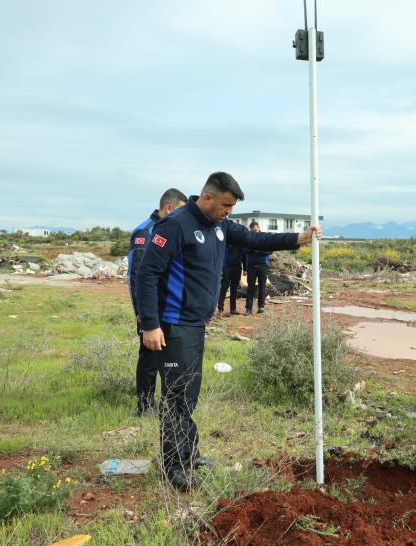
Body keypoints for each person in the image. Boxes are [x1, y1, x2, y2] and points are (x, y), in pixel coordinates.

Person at [136, 172, 321, 492]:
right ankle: (173, 469)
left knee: (188, 394)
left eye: (232, 207)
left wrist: (297, 239)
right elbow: (146, 274)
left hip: (195, 325)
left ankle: (189, 454)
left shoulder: (219, 225)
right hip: (172, 325)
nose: (229, 212)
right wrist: (150, 324)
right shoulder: (175, 226)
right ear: (207, 198)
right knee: (176, 396)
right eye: (225, 205)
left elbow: (254, 240)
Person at [127, 188, 187, 416]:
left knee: (171, 358)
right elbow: (137, 276)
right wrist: (141, 313)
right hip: (150, 309)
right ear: (170, 208)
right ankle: (145, 406)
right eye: (181, 210)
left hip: (169, 306)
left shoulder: (172, 229)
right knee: (150, 357)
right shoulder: (146, 231)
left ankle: (169, 405)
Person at [244, 221, 272, 315]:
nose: (254, 232)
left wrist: (258, 250)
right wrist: (252, 249)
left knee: (262, 287)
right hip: (251, 266)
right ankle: (248, 308)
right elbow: (244, 250)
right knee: (250, 288)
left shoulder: (264, 237)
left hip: (263, 265)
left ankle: (261, 307)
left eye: (255, 230)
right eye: (252, 231)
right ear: (250, 230)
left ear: (259, 228)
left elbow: (270, 251)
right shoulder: (248, 238)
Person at [217, 243, 244, 316]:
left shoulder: (241, 243)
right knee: (224, 288)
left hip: (237, 268)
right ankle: (220, 308)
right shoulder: (227, 241)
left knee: (234, 289)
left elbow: (244, 256)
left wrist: (245, 268)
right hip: (227, 268)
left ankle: (233, 309)